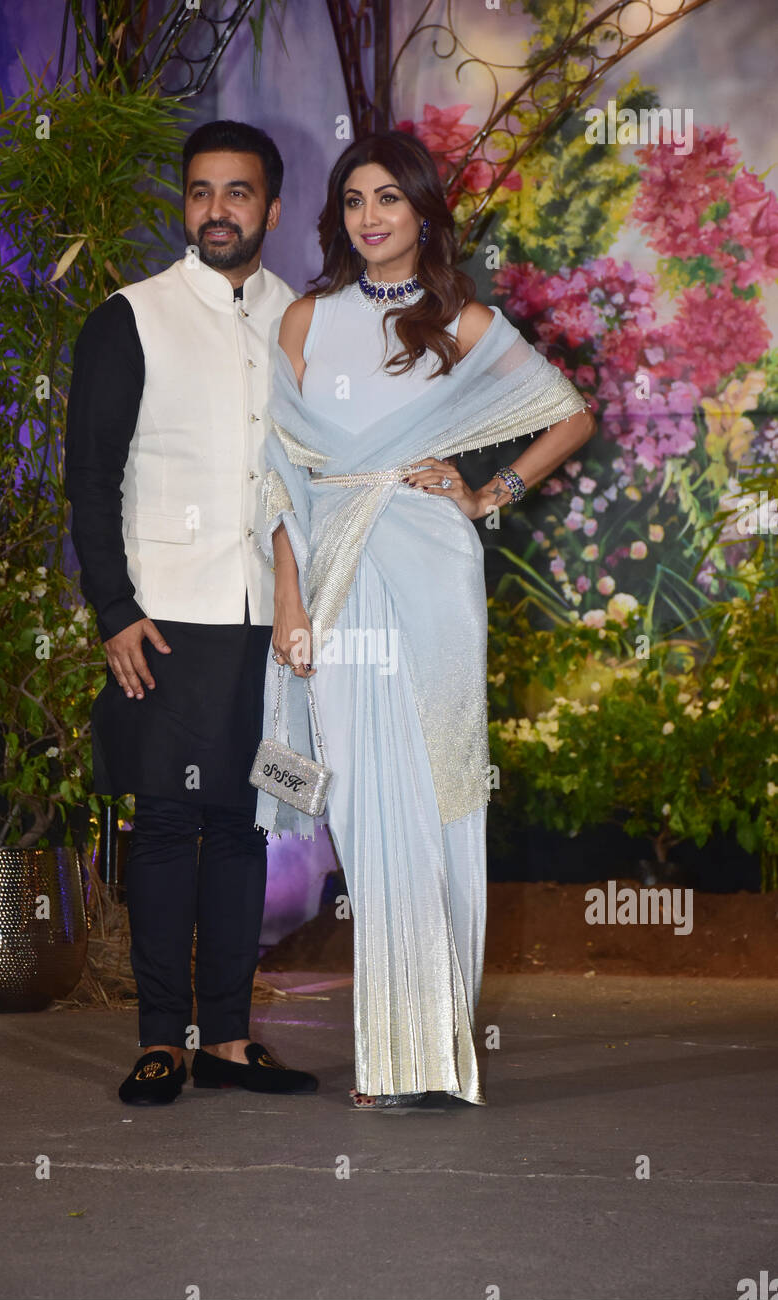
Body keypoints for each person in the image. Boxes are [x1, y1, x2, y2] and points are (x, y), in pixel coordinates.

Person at [253, 130, 596, 1108]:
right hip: (335, 571)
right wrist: (288, 601)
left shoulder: (465, 321)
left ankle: (435, 1050)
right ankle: (395, 1046)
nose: (370, 217)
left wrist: (492, 493)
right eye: (354, 200)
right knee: (363, 802)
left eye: (388, 200)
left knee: (448, 791)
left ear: (422, 213)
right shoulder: (306, 321)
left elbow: (568, 414)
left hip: (435, 567)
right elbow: (280, 478)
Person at [64, 120, 317, 1105]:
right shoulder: (131, 317)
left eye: (239, 192)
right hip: (165, 620)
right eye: (202, 191)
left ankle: (230, 1037)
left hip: (268, 621)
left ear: (272, 207)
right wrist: (115, 610)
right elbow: (91, 480)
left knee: (248, 824)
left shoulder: (300, 320)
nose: (218, 209)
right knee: (168, 823)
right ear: (186, 203)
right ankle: (163, 1036)